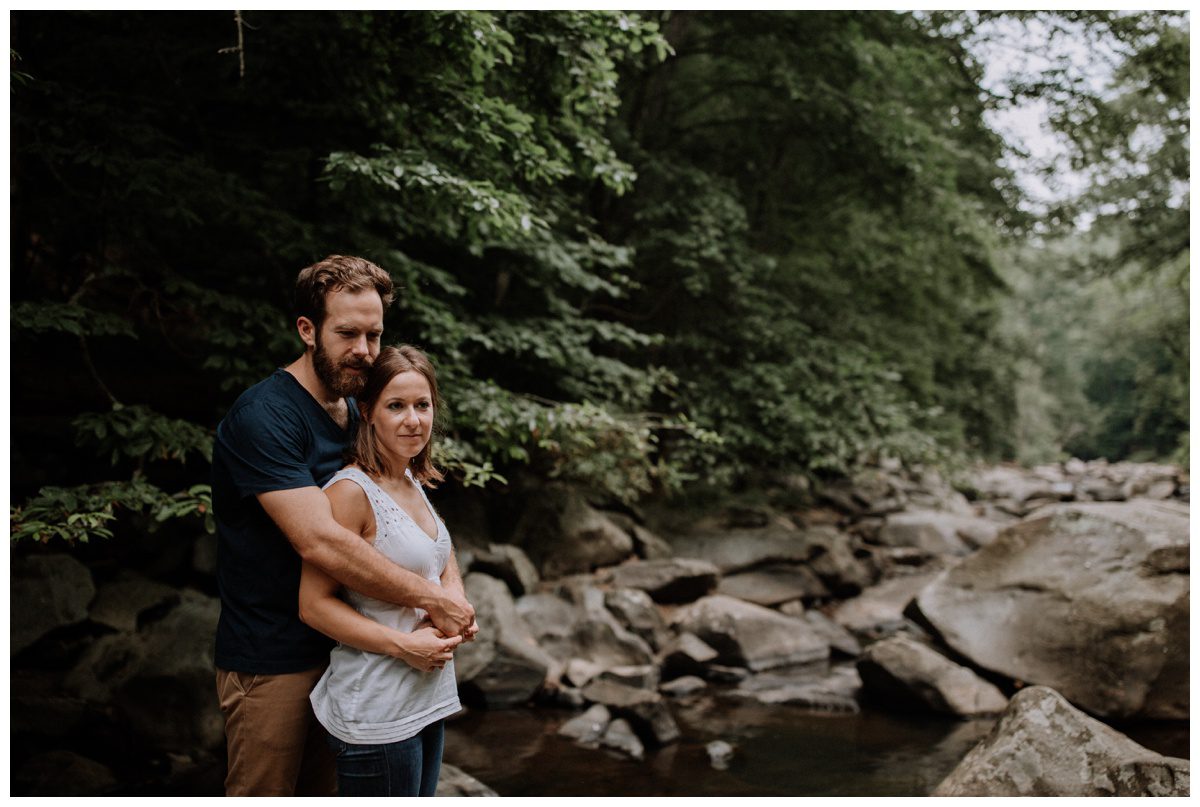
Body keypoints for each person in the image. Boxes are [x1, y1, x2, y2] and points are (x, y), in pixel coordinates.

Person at [210, 255, 477, 796]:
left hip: (351, 657)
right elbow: (320, 540)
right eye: (347, 333)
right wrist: (435, 599)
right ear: (307, 330)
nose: (363, 350)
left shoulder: (358, 412)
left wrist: (448, 593)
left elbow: (409, 506)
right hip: (275, 656)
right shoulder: (265, 417)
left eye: (373, 335)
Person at [300, 344, 464, 797]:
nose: (413, 419)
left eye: (422, 405)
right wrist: (405, 645)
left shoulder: (409, 477)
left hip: (424, 698)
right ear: (368, 412)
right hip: (377, 712)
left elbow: (437, 553)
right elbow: (313, 607)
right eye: (397, 406)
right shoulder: (350, 493)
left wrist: (456, 598)